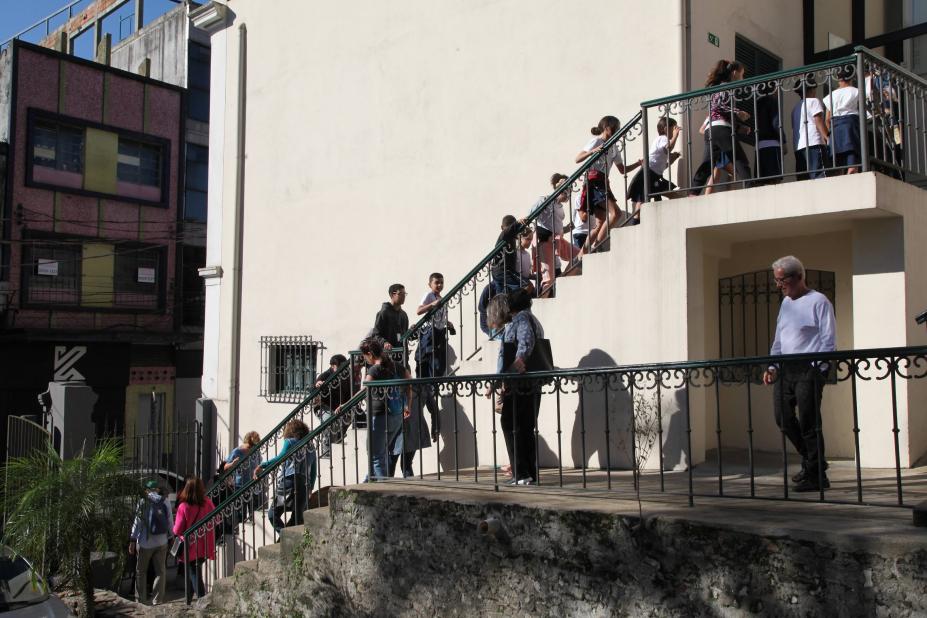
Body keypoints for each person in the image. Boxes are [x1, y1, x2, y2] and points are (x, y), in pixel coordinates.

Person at [762, 255, 836, 493]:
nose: (779, 285)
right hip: (786, 369)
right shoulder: (786, 304)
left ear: (799, 277)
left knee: (809, 421)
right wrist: (773, 366)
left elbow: (828, 340)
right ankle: (813, 461)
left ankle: (816, 476)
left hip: (809, 369)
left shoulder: (819, 301)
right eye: (776, 280)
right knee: (782, 417)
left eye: (782, 280)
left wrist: (818, 369)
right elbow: (779, 339)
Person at [488, 288, 545, 486]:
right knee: (525, 427)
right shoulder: (532, 318)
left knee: (512, 424)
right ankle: (528, 475)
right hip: (532, 381)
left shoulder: (521, 319)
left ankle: (522, 474)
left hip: (521, 382)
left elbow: (525, 341)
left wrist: (519, 361)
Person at [575, 116, 636, 252]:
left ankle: (582, 253)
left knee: (600, 222)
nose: (618, 131)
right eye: (616, 128)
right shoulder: (597, 141)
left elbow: (622, 169)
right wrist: (592, 152)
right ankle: (597, 245)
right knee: (616, 213)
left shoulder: (613, 146)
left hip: (603, 182)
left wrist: (638, 163)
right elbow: (578, 158)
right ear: (607, 128)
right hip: (595, 181)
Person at [361, 336, 411, 480]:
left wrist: (347, 404)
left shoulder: (374, 370)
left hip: (379, 415)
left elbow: (365, 387)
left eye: (365, 356)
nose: (365, 360)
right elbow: (410, 382)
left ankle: (383, 489)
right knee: (378, 452)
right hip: (396, 413)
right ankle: (367, 483)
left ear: (370, 354)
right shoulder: (396, 365)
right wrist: (408, 405)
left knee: (376, 455)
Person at [700, 60, 751, 195]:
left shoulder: (722, 88)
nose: (742, 78)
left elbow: (720, 111)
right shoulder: (725, 87)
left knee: (710, 165)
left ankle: (694, 193)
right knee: (738, 162)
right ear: (734, 73)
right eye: (742, 74)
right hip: (720, 131)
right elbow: (719, 107)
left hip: (715, 131)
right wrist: (737, 112)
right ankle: (750, 187)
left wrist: (739, 127)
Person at [415, 273, 455, 441]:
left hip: (437, 336)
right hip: (428, 337)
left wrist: (449, 324)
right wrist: (433, 304)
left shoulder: (441, 298)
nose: (439, 285)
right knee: (426, 386)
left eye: (441, 282)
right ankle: (430, 426)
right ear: (430, 283)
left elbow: (441, 319)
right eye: (436, 282)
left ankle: (434, 426)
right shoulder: (429, 296)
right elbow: (419, 311)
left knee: (432, 384)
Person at [254, 419, 314, 531]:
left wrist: (263, 465)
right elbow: (314, 470)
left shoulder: (290, 442)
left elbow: (280, 458)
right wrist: (311, 487)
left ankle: (286, 538)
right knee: (297, 518)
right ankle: (292, 542)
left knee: (273, 514)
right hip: (304, 483)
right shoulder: (311, 447)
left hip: (289, 481)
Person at [626, 116, 683, 216]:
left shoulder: (662, 140)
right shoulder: (662, 138)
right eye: (673, 128)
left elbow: (661, 166)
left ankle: (675, 213)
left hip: (655, 174)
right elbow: (668, 147)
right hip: (648, 173)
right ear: (665, 129)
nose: (674, 130)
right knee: (641, 198)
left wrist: (672, 159)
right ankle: (636, 222)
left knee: (671, 193)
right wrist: (675, 135)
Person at [172, 476, 216, 603]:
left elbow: (177, 530)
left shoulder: (183, 507)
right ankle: (188, 600)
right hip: (205, 543)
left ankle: (202, 601)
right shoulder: (208, 502)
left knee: (194, 573)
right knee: (194, 571)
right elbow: (216, 518)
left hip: (190, 546)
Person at [129, 479, 172, 606]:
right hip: (162, 541)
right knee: (161, 571)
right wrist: (172, 536)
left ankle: (141, 600)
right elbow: (170, 522)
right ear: (157, 489)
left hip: (145, 543)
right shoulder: (165, 501)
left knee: (141, 572)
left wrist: (132, 539)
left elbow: (137, 522)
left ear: (146, 490)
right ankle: (157, 600)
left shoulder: (143, 501)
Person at [218, 430, 261, 529]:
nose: (251, 448)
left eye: (254, 446)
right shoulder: (236, 452)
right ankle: (240, 530)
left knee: (254, 513)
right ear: (246, 442)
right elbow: (223, 467)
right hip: (239, 486)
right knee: (241, 513)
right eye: (249, 446)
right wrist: (232, 464)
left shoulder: (256, 451)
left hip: (253, 485)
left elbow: (259, 464)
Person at [824, 68, 861, 174]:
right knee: (852, 160)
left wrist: (829, 134)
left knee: (838, 162)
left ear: (838, 79)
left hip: (835, 126)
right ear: (851, 78)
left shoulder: (830, 95)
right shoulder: (856, 91)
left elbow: (827, 118)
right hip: (851, 124)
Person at [792, 76, 829, 181]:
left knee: (804, 179)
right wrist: (828, 137)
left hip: (799, 147)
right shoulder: (814, 101)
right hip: (814, 143)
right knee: (820, 176)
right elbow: (818, 121)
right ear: (812, 89)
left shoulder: (795, 108)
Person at [314, 354, 352, 455]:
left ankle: (338, 440)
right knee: (328, 421)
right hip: (323, 406)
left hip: (339, 406)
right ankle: (327, 451)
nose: (342, 368)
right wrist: (318, 384)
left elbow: (349, 392)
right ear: (333, 366)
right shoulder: (326, 375)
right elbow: (316, 385)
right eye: (339, 366)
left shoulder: (346, 375)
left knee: (350, 418)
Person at [490, 215, 532, 295]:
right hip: (503, 270)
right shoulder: (503, 237)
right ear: (502, 228)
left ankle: (505, 305)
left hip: (500, 271)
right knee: (527, 285)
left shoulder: (512, 238)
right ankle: (516, 304)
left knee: (501, 295)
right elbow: (506, 231)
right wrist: (517, 223)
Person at [754, 89, 786, 185]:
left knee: (761, 181)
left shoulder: (757, 103)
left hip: (759, 146)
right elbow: (776, 123)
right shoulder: (772, 101)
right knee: (774, 180)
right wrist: (783, 141)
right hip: (772, 145)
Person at [371, 284, 409, 351]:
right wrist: (384, 343)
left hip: (401, 356)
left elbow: (402, 336)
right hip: (387, 355)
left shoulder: (404, 315)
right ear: (392, 295)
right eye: (400, 293)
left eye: (404, 294)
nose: (403, 296)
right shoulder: (383, 313)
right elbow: (375, 335)